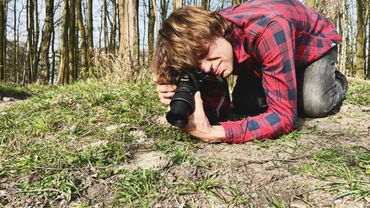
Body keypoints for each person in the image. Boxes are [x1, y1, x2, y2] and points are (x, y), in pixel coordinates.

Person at [151, 0, 348, 144]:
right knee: (246, 104)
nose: (206, 68)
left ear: (218, 29)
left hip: (314, 45)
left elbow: (284, 117)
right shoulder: (217, 51)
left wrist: (213, 133)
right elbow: (222, 109)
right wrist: (182, 94)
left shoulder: (269, 29)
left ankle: (336, 81)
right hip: (264, 60)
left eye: (205, 53)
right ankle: (289, 80)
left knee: (314, 103)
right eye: (197, 64)